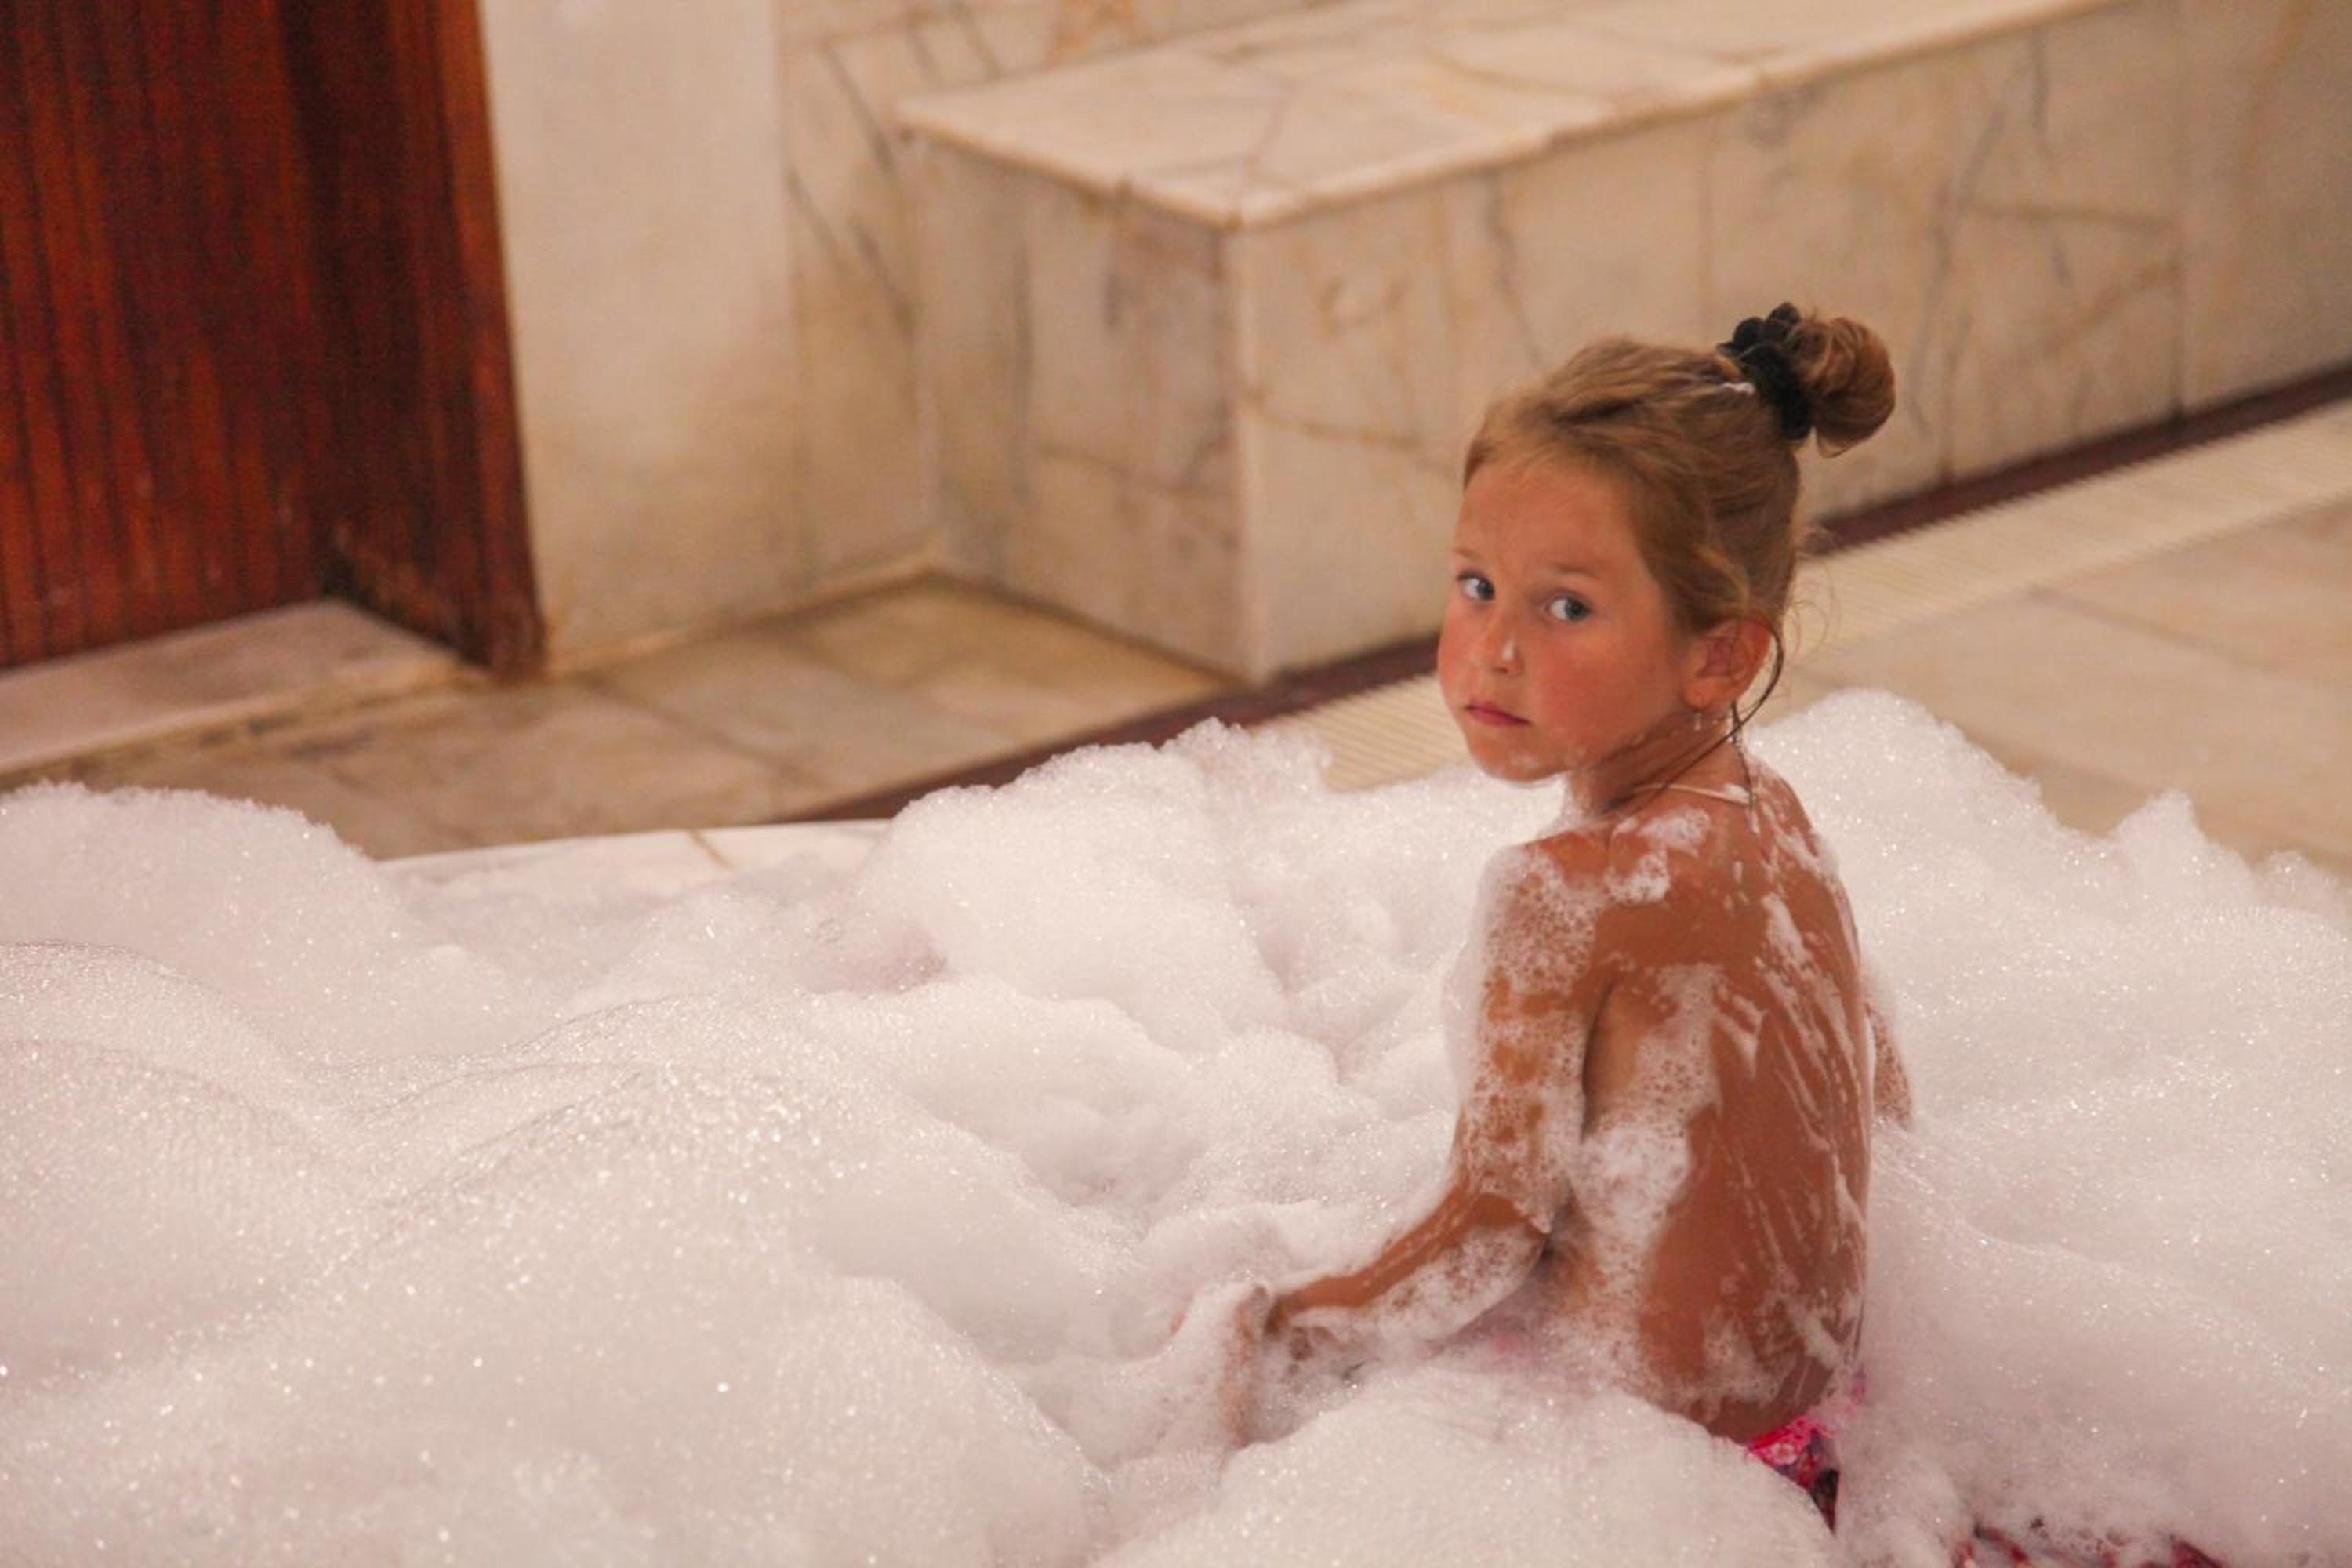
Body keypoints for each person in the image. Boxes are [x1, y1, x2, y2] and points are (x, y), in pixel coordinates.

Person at [1224, 303, 1913, 1522]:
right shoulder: (1775, 816)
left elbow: (1488, 1232)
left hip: (1657, 1490)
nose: (1492, 650)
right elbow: (1880, 1092)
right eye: (1477, 585)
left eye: (1566, 609)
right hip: (1824, 1436)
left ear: (1719, 658)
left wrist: (1276, 1339)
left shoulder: (1568, 892)